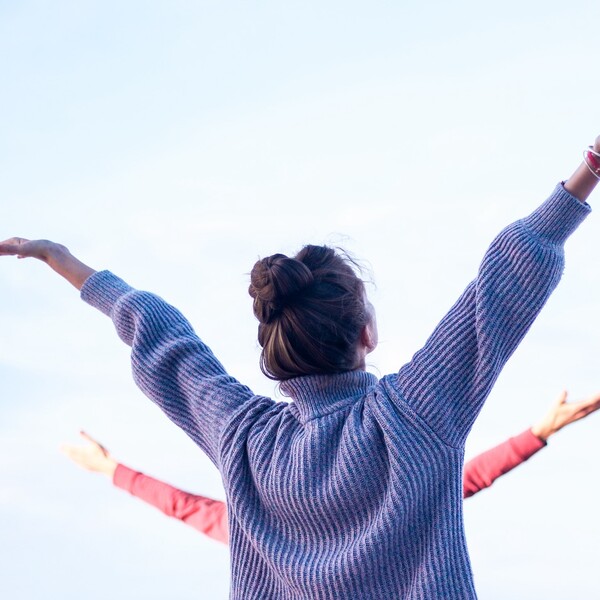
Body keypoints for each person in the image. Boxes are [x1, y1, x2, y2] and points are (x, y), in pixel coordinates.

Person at [1, 137, 598, 599]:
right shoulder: (414, 415)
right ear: (367, 333)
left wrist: (64, 261)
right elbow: (500, 287)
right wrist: (589, 169)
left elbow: (162, 338)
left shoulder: (245, 437)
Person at [60, 389, 600, 544]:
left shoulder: (262, 534)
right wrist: (537, 434)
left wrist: (111, 470)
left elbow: (188, 510)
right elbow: (460, 480)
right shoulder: (385, 508)